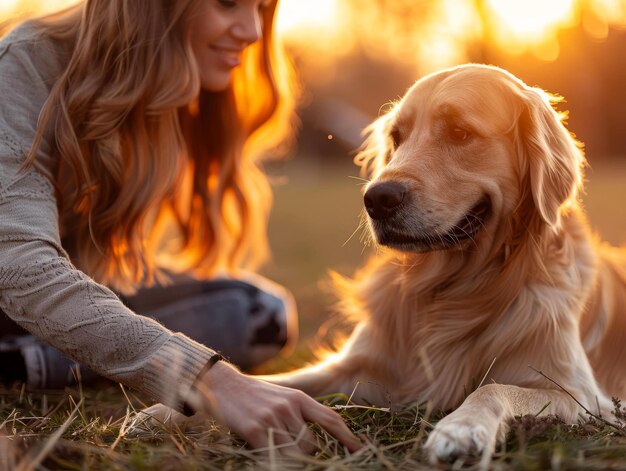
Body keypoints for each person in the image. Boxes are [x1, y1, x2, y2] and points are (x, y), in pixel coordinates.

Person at [0, 0, 360, 454]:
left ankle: (31, 353)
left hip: (39, 303)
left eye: (263, 9)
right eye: (228, 4)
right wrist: (207, 378)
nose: (251, 31)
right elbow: (18, 265)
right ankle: (21, 362)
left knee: (259, 311)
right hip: (12, 291)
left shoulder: (170, 91)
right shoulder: (25, 62)